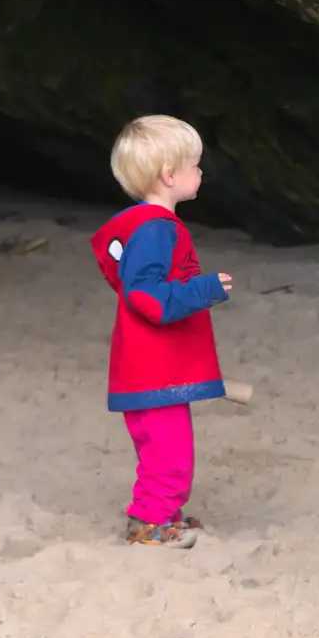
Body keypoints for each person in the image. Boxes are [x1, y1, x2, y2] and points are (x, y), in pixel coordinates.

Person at [90, 115, 233, 549]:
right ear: (170, 176)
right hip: (153, 369)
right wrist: (204, 289)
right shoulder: (155, 229)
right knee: (169, 452)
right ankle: (148, 524)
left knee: (161, 447)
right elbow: (146, 298)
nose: (200, 172)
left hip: (143, 367)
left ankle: (164, 515)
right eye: (194, 164)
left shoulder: (139, 226)